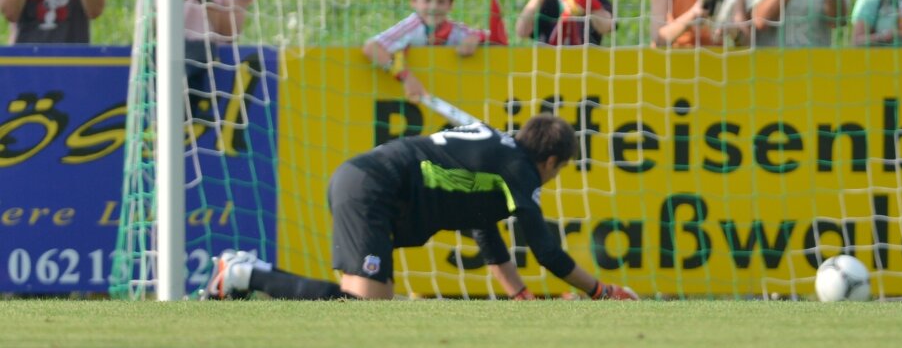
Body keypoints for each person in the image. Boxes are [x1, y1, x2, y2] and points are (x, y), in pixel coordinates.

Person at [203, 114, 638, 301]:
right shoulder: (518, 170)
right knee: (363, 309)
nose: (551, 178)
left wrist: (517, 293)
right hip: (372, 188)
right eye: (557, 171)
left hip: (366, 181)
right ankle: (244, 272)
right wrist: (603, 290)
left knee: (376, 304)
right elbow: (546, 250)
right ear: (550, 162)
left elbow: (484, 227)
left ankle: (244, 274)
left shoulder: (500, 153)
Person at [363, 0, 486, 100]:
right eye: (427, 0)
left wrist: (475, 38)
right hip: (407, 95)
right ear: (413, 2)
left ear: (450, 5)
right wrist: (407, 78)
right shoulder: (410, 27)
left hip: (448, 95)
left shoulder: (455, 30)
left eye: (441, 1)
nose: (434, 7)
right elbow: (371, 47)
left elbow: (489, 36)